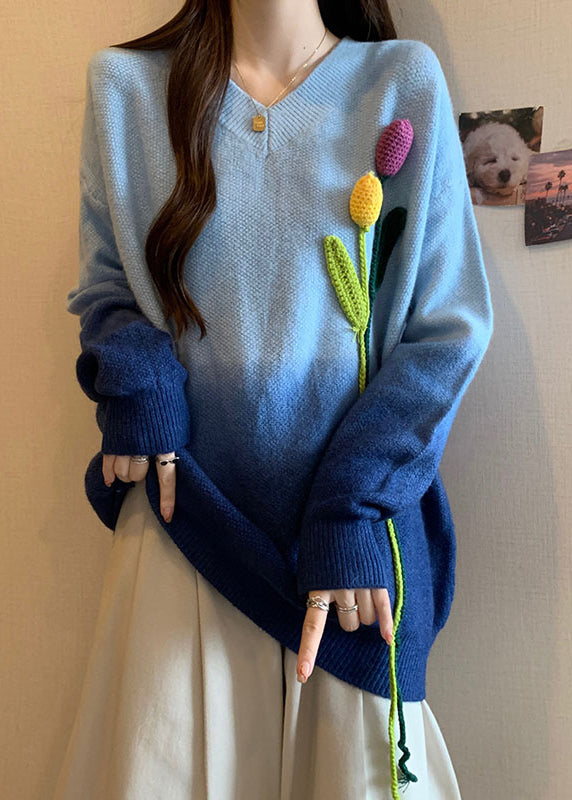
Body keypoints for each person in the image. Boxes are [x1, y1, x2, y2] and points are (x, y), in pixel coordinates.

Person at [53, 1, 493, 798]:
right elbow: (105, 285)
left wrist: (356, 501)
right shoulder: (125, 89)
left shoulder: (402, 83)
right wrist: (138, 381)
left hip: (352, 554)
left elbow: (448, 331)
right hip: (186, 526)